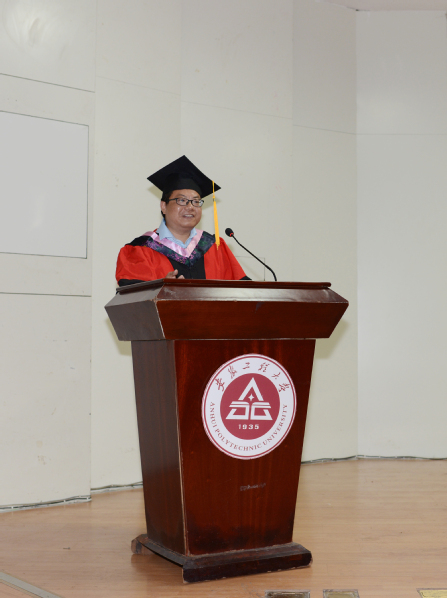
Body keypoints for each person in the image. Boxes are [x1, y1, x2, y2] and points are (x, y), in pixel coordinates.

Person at [116, 156, 249, 286]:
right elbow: (134, 297)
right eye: (182, 200)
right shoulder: (141, 249)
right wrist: (160, 288)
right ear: (164, 206)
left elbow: (244, 292)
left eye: (196, 201)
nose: (190, 207)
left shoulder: (215, 247)